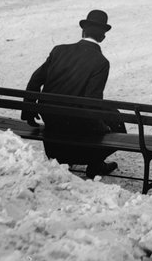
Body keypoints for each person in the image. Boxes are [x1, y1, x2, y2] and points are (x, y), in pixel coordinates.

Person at [21, 9, 122, 179]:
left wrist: (29, 110)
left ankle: (75, 159)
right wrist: (103, 127)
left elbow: (35, 80)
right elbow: (92, 101)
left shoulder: (58, 51)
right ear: (103, 37)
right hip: (76, 123)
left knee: (107, 115)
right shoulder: (101, 62)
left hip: (52, 120)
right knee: (117, 122)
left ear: (83, 31)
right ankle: (95, 162)